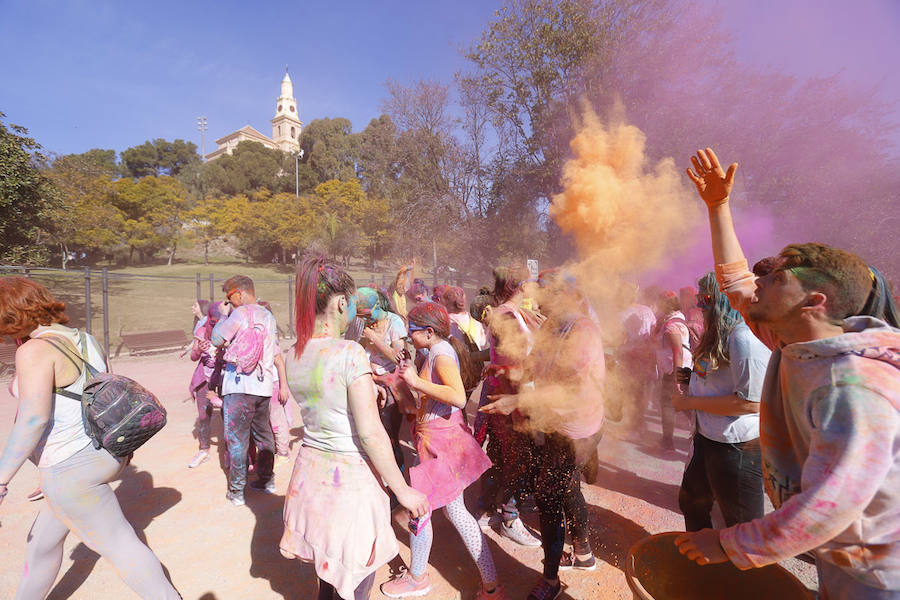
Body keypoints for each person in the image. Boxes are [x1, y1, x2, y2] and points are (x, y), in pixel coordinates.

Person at [675, 147, 900, 599]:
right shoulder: (795, 340)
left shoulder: (854, 386)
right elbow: (736, 281)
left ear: (814, 302)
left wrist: (726, 541)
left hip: (877, 577)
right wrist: (718, 208)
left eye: (776, 279)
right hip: (843, 559)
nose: (758, 284)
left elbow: (826, 509)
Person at [0, 277, 181, 600]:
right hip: (104, 453)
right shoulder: (84, 339)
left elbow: (33, 419)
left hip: (71, 467)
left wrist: (2, 479)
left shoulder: (35, 351)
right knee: (42, 543)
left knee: (120, 545)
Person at [279, 257, 428, 600]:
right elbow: (371, 434)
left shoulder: (294, 353)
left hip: (309, 481)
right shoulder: (349, 353)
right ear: (342, 303)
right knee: (356, 583)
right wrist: (403, 491)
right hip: (348, 487)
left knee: (327, 576)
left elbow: (324, 403)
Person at [481, 269, 605, 600]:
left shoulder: (583, 330)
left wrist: (517, 399)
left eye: (545, 293)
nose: (537, 299)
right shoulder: (552, 325)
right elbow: (536, 368)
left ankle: (550, 582)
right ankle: (583, 554)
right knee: (567, 488)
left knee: (550, 496)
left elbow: (569, 388)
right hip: (556, 423)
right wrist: (506, 370)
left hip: (577, 428)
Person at [380, 302, 507, 599]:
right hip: (439, 440)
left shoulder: (441, 354)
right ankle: (491, 585)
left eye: (411, 331)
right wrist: (408, 375)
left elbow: (458, 398)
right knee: (456, 512)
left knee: (421, 509)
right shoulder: (433, 351)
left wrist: (414, 381)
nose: (408, 336)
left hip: (441, 444)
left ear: (427, 332)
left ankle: (417, 578)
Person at [673, 273, 770, 532]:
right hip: (708, 439)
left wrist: (690, 402)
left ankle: (737, 571)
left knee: (742, 526)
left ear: (723, 301)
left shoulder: (744, 337)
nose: (700, 306)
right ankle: (703, 562)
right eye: (698, 298)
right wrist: (692, 377)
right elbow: (719, 375)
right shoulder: (717, 334)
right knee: (692, 502)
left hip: (735, 447)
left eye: (705, 299)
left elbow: (750, 403)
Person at [474, 266, 541, 547]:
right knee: (518, 457)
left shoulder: (510, 313)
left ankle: (487, 508)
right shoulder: (508, 317)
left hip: (507, 393)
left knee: (502, 455)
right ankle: (510, 518)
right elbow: (516, 361)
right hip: (511, 397)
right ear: (522, 286)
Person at [211, 275, 290, 506]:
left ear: (240, 292)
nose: (229, 301)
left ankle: (236, 491)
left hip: (238, 386)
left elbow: (216, 339)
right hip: (263, 387)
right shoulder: (268, 316)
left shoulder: (239, 313)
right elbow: (273, 350)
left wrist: (223, 315)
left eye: (229, 296)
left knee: (237, 439)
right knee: (264, 436)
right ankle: (267, 480)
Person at [188, 300, 229, 469]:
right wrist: (199, 349)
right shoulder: (202, 330)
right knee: (204, 415)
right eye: (213, 322)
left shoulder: (230, 329)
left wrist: (220, 352)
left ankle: (228, 451)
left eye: (219, 322)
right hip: (205, 377)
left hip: (225, 377)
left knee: (227, 415)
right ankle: (204, 449)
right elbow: (193, 357)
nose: (216, 325)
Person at [654, 290, 693, 450]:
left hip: (674, 370)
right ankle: (699, 430)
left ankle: (667, 442)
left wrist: (677, 378)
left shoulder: (671, 325)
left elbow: (678, 351)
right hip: (681, 368)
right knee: (683, 402)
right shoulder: (679, 319)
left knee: (668, 404)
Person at [259, 300, 294, 467]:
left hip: (272, 385)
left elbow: (280, 364)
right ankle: (272, 449)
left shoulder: (270, 340)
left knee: (277, 421)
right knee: (266, 421)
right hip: (261, 386)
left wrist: (283, 387)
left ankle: (283, 452)